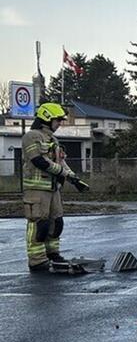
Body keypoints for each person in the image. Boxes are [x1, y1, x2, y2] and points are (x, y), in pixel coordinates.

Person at [21, 103, 87, 272]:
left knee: (56, 223)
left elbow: (61, 162)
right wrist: (63, 173)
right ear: (47, 119)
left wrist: (74, 178)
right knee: (39, 224)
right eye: (57, 120)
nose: (59, 124)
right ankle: (37, 260)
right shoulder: (31, 137)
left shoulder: (53, 140)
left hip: (53, 189)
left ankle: (52, 255)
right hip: (36, 190)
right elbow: (39, 161)